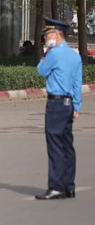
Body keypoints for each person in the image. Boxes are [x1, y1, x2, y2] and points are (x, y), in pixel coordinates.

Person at [35, 18, 82, 200]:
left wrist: (45, 54)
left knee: (55, 146)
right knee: (67, 146)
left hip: (55, 104)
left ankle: (56, 187)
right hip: (69, 103)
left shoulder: (54, 54)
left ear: (56, 34)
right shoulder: (74, 55)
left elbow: (41, 71)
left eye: (47, 34)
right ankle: (69, 186)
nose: (46, 38)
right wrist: (77, 105)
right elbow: (78, 82)